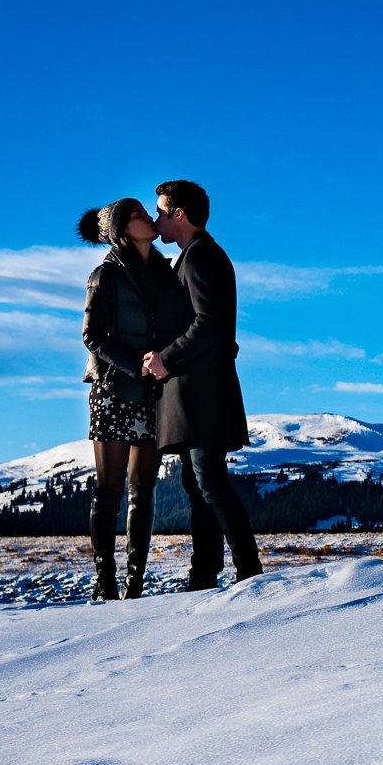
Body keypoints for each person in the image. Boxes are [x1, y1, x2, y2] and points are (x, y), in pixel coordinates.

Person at [144, 178, 262, 588]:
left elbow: (209, 324)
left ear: (180, 214)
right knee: (198, 484)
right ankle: (204, 572)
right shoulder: (194, 256)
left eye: (161, 211)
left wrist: (165, 358)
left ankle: (248, 570)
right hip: (198, 393)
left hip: (204, 394)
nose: (156, 218)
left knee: (208, 481)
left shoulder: (201, 257)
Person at [77, 198, 187, 599]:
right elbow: (93, 336)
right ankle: (105, 582)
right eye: (139, 215)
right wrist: (134, 366)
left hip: (151, 395)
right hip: (112, 391)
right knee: (109, 492)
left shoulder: (163, 272)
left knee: (144, 490)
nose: (148, 218)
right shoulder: (104, 274)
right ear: (123, 230)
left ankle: (134, 583)